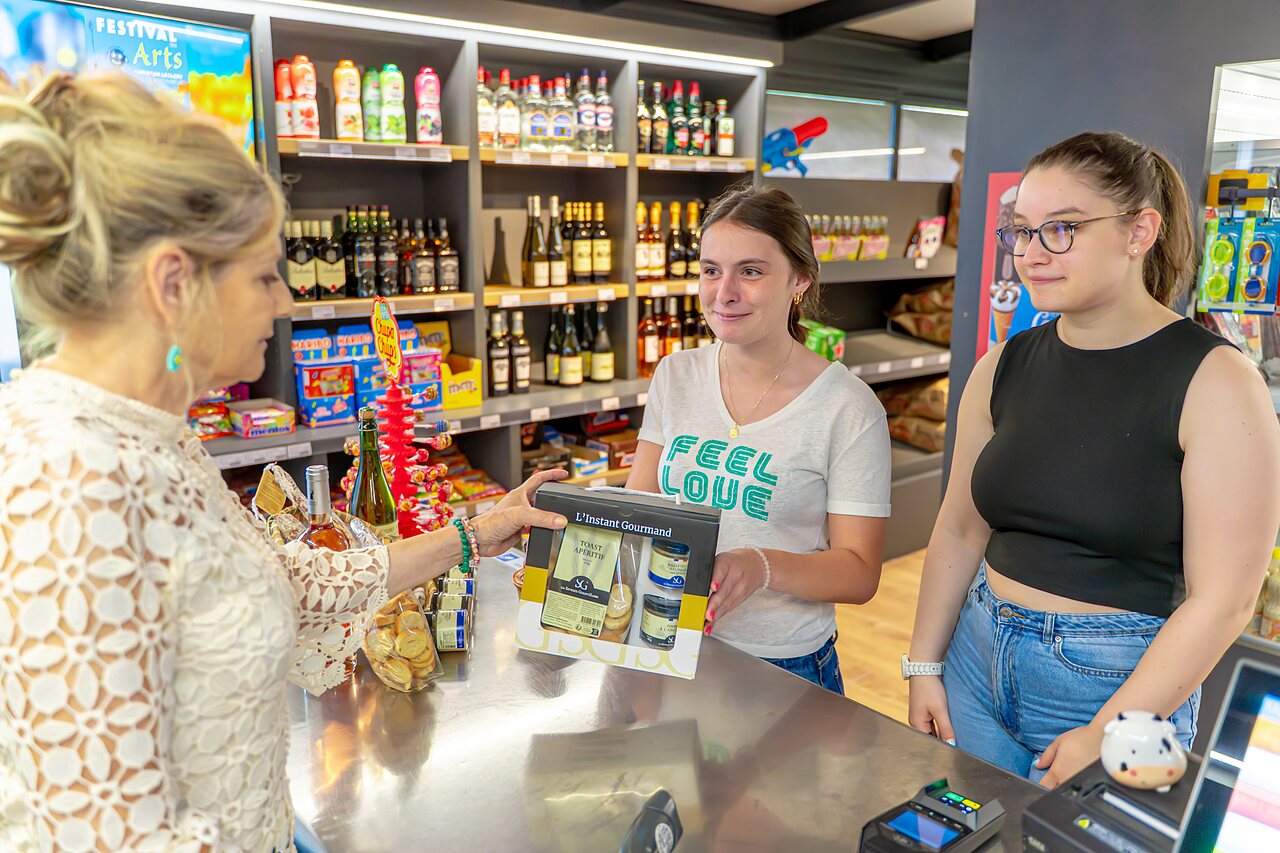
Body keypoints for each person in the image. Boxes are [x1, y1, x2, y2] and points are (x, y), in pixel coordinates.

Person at [0, 72, 566, 851]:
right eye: (266, 274)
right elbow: (111, 833)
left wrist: (471, 535)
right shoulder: (70, 478)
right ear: (173, 282)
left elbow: (277, 579)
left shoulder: (152, 435)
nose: (287, 302)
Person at [906, 131, 1280, 787]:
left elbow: (1226, 597)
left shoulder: (1217, 380)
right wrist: (923, 663)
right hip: (974, 658)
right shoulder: (1004, 365)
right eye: (1021, 231)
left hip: (1121, 687)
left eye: (1063, 230)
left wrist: (1112, 728)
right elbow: (960, 527)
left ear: (1140, 232)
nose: (1031, 254)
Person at [626, 184, 891, 694]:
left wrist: (760, 566)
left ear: (800, 280)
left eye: (750, 271)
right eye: (710, 270)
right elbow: (642, 508)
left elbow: (859, 574)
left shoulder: (848, 407)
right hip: (666, 643)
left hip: (782, 668)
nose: (723, 292)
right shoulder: (675, 375)